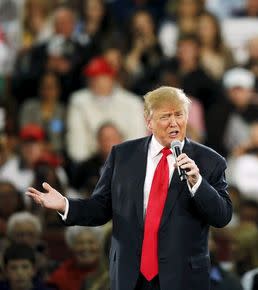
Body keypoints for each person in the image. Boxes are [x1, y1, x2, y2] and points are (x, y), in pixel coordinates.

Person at [26, 86, 233, 290]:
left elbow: (222, 216)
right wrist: (65, 204)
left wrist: (197, 183)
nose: (174, 123)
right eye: (165, 116)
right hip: (130, 275)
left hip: (183, 277)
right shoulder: (122, 156)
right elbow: (101, 208)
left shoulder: (209, 162)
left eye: (179, 114)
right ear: (148, 122)